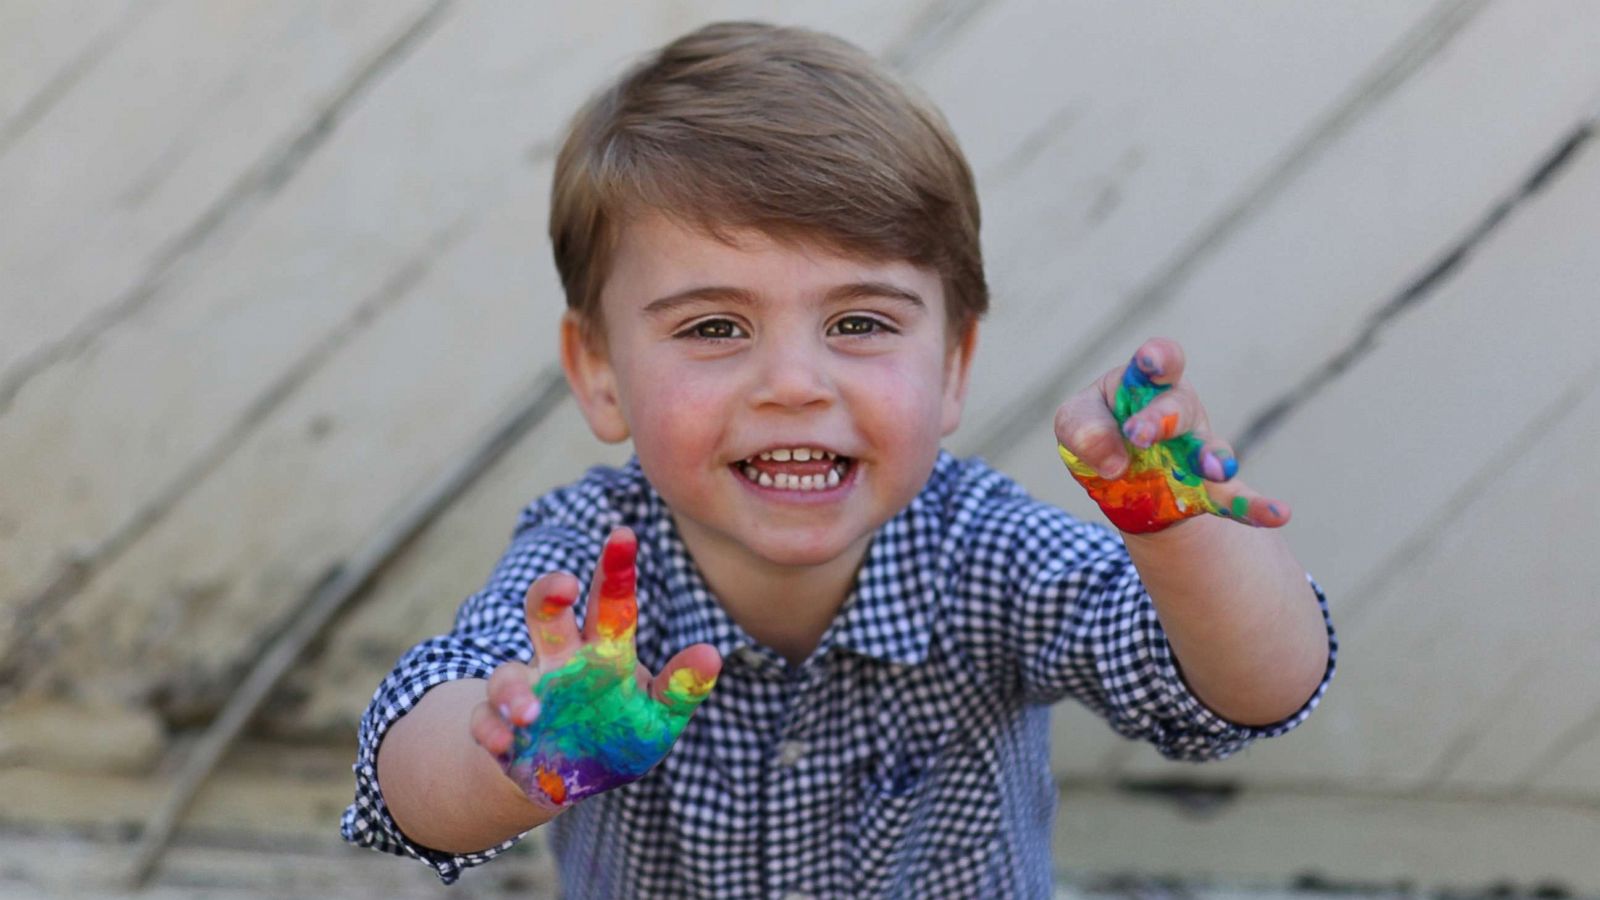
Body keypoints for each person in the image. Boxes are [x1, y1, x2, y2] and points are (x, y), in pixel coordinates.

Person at [341, 20, 1336, 898]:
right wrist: (523, 765)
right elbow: (407, 781)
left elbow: (1243, 694)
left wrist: (1177, 538)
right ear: (598, 370)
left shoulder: (984, 551)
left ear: (952, 367)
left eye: (858, 321)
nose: (793, 382)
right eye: (715, 326)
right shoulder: (592, 569)